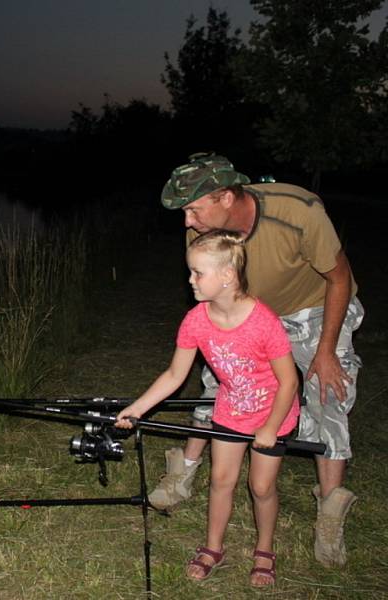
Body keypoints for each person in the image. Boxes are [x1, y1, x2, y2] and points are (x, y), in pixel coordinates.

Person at [149, 153, 363, 568]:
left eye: (193, 208)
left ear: (226, 197)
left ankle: (330, 513)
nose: (187, 221)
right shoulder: (202, 232)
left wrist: (324, 351)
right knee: (220, 383)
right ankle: (185, 471)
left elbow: (338, 278)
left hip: (313, 308)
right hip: (251, 310)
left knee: (328, 390)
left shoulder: (298, 211)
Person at [116, 229, 300, 586]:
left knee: (261, 486)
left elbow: (289, 381)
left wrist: (270, 427)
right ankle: (214, 546)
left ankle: (264, 549)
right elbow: (174, 375)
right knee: (221, 480)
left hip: (272, 413)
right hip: (230, 409)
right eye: (191, 271)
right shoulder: (196, 320)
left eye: (198, 272)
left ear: (228, 275)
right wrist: (136, 409)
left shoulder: (264, 322)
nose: (190, 280)